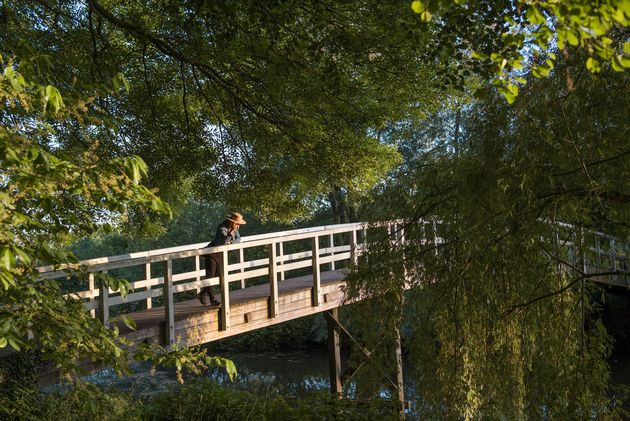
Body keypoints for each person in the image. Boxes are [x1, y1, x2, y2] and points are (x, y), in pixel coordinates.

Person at [199, 212, 247, 306]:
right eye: (236, 223)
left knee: (217, 276)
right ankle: (212, 299)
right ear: (231, 222)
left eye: (238, 224)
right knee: (210, 276)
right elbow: (222, 243)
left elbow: (238, 239)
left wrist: (232, 242)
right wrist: (231, 232)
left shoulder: (235, 229)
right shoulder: (222, 228)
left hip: (220, 254)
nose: (237, 226)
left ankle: (202, 293)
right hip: (212, 253)